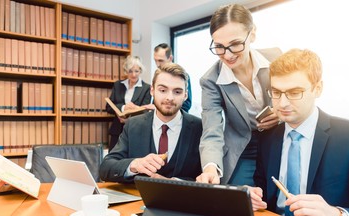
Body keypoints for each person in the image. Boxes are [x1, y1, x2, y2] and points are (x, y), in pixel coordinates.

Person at [250, 48, 349, 216]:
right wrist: (251, 198)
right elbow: (263, 192)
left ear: (318, 88)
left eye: (295, 92)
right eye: (276, 93)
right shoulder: (267, 138)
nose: (283, 103)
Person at [196, 4, 281, 185]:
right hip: (243, 148)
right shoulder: (210, 80)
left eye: (235, 44)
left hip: (279, 140)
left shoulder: (276, 58)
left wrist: (280, 114)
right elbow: (212, 130)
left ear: (252, 35)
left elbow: (297, 98)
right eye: (219, 46)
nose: (227, 55)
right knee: (240, 200)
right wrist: (210, 167)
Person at [100, 63, 202, 183]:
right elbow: (106, 168)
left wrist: (176, 182)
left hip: (183, 200)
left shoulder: (199, 128)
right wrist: (134, 165)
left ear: (185, 95)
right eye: (163, 90)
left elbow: (206, 176)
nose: (170, 97)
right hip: (138, 200)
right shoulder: (133, 125)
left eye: (177, 92)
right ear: (152, 91)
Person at [106, 55, 151, 150]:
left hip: (136, 130)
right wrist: (123, 108)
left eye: (136, 71)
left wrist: (131, 116)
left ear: (140, 71)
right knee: (113, 159)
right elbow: (109, 107)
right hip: (117, 130)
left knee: (132, 159)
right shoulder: (118, 85)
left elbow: (146, 112)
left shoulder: (146, 88)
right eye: (130, 71)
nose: (134, 74)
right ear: (126, 71)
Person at [154, 43, 192, 112]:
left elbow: (187, 104)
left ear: (170, 58)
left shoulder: (182, 76)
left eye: (160, 60)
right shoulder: (158, 76)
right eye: (155, 60)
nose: (157, 64)